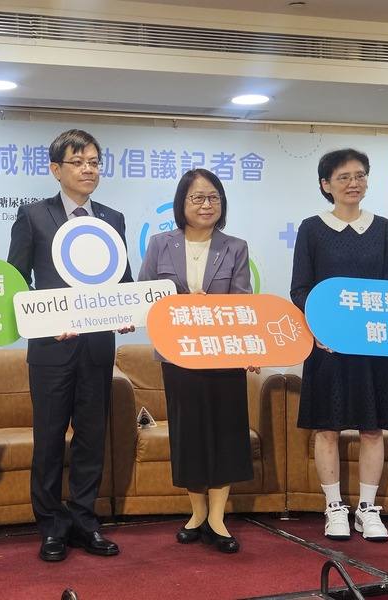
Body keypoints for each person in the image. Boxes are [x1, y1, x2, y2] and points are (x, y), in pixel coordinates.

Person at [7, 129, 133, 562]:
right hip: (51, 349)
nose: (88, 170)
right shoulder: (33, 216)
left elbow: (124, 281)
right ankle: (50, 525)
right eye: (78, 162)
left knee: (91, 437)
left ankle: (84, 520)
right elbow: (15, 282)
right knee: (48, 437)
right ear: (56, 169)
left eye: (94, 162)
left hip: (98, 348)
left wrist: (129, 310)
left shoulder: (112, 219)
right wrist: (46, 321)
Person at [290, 148, 388, 543]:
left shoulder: (382, 227)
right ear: (325, 185)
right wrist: (319, 330)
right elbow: (301, 290)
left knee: (372, 430)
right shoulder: (312, 228)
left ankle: (368, 509)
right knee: (327, 430)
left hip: (374, 348)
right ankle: (334, 508)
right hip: (328, 348)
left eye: (360, 175)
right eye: (344, 177)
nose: (354, 183)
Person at [138, 168, 255, 554]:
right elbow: (145, 297)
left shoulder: (235, 246)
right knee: (188, 434)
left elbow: (242, 303)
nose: (206, 205)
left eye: (213, 198)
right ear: (182, 203)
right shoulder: (159, 244)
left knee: (226, 433)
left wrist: (212, 309)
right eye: (197, 198)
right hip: (179, 355)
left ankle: (218, 517)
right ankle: (197, 513)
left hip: (224, 357)